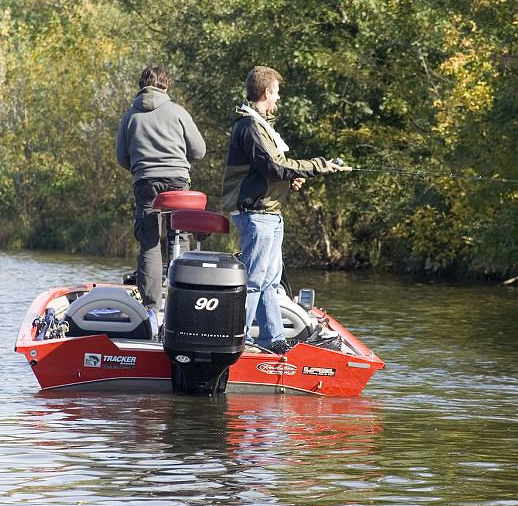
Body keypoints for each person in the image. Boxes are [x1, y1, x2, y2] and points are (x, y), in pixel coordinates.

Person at [221, 66, 350, 351]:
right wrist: (318, 166)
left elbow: (270, 170)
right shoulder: (251, 126)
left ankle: (274, 340)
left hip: (270, 214)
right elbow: (275, 166)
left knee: (269, 281)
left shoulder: (260, 125)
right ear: (266, 92)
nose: (278, 99)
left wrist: (291, 178)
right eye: (277, 93)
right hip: (257, 214)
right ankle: (237, 339)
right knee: (254, 281)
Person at [116, 64, 206, 318]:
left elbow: (122, 157)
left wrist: (141, 167)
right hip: (178, 182)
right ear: (166, 85)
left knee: (149, 244)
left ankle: (152, 308)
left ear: (140, 85)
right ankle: (186, 301)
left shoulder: (129, 117)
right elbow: (199, 151)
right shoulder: (178, 112)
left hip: (146, 184)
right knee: (180, 237)